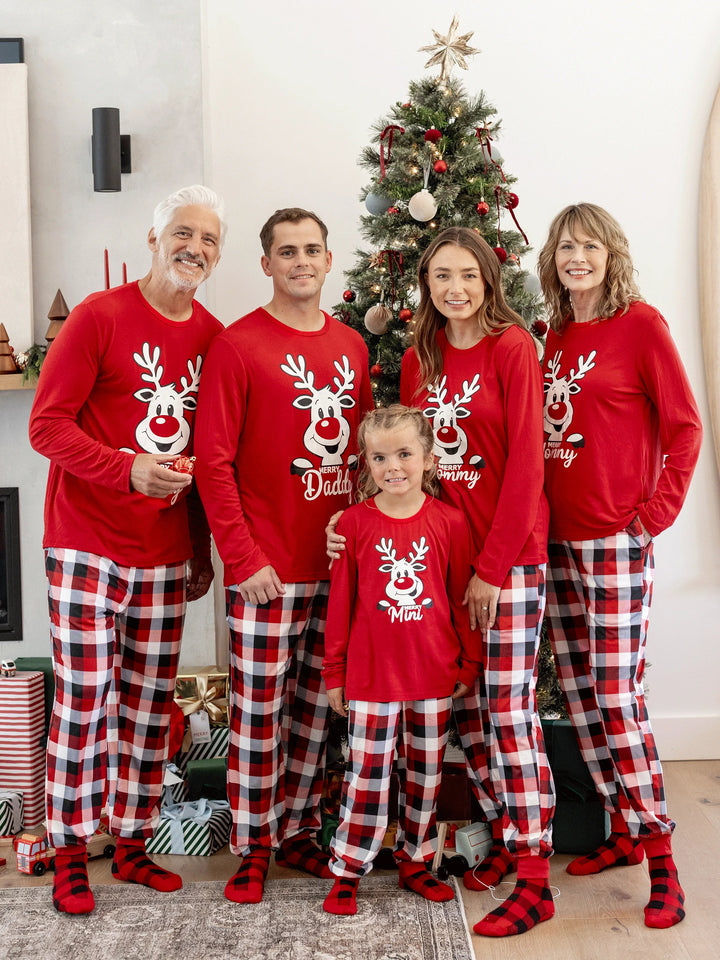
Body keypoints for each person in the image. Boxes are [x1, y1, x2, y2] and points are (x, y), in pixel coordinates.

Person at [329, 227, 555, 938]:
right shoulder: (420, 359)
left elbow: (526, 467)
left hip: (507, 558)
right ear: (425, 286)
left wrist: (491, 570)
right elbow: (406, 467)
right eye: (439, 277)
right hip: (437, 563)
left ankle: (535, 874)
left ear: (489, 278)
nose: (454, 288)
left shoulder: (514, 348)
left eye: (467, 274)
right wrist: (354, 523)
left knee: (509, 714)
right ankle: (454, 843)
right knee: (460, 715)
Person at [28, 184, 226, 914]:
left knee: (147, 706)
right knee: (85, 702)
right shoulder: (98, 317)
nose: (194, 248)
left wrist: (200, 549)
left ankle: (134, 842)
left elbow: (213, 454)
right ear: (153, 238)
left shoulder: (213, 338)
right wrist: (123, 467)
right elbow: (45, 426)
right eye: (182, 233)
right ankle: (71, 851)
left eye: (208, 240)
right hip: (85, 544)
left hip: (165, 552)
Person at [193, 207, 373, 905]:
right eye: (287, 252)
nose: (301, 261)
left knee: (314, 712)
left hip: (333, 565)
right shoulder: (239, 347)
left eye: (312, 250)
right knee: (260, 713)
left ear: (330, 261)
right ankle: (252, 843)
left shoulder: (352, 347)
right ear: (265, 265)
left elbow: (361, 457)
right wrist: (242, 559)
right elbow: (213, 463)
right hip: (266, 570)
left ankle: (297, 828)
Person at [537, 202, 702, 930]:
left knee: (617, 697)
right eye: (566, 247)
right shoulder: (554, 335)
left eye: (589, 247)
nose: (577, 258)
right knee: (578, 695)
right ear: (553, 258)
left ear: (611, 254)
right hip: (552, 542)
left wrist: (651, 517)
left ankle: (665, 859)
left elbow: (687, 426)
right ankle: (624, 829)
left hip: (613, 540)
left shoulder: (642, 327)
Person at [321, 405, 480, 916]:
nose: (394, 466)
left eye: (406, 453)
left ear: (430, 459)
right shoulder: (352, 523)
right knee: (366, 775)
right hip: (370, 678)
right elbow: (342, 603)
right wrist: (334, 673)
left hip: (434, 676)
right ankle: (349, 867)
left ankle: (416, 859)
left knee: (426, 774)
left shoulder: (450, 523)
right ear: (366, 463)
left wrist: (468, 663)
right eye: (380, 456)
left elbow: (460, 599)